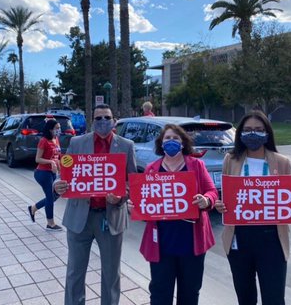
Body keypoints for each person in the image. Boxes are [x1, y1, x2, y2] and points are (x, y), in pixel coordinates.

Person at [215, 110, 291, 305]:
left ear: (267, 133)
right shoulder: (231, 159)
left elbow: (290, 200)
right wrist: (221, 205)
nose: (253, 134)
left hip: (272, 239)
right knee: (245, 298)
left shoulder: (281, 162)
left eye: (259, 130)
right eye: (248, 130)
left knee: (274, 298)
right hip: (239, 238)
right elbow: (227, 197)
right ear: (240, 133)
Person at [56, 103, 134, 305]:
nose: (102, 122)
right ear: (92, 121)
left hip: (111, 218)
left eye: (107, 118)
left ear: (114, 120)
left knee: (111, 274)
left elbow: (132, 183)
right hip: (80, 216)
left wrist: (121, 197)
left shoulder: (126, 146)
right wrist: (58, 184)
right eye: (98, 118)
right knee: (75, 272)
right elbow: (64, 173)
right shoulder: (77, 142)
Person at [139, 123, 217, 305]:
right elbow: (145, 201)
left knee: (190, 294)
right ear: (161, 143)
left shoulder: (197, 165)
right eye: (167, 138)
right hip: (162, 243)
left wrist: (206, 200)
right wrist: (136, 206)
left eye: (176, 138)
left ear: (183, 143)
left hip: (191, 241)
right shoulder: (152, 168)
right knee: (159, 294)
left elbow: (212, 191)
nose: (171, 141)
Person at [29, 118, 64, 230]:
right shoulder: (43, 141)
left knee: (55, 196)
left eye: (59, 128)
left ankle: (33, 208)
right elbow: (37, 159)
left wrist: (61, 168)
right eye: (57, 128)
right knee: (50, 197)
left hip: (53, 173)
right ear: (50, 129)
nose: (59, 130)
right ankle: (50, 223)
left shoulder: (56, 139)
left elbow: (58, 156)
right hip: (43, 172)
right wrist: (50, 162)